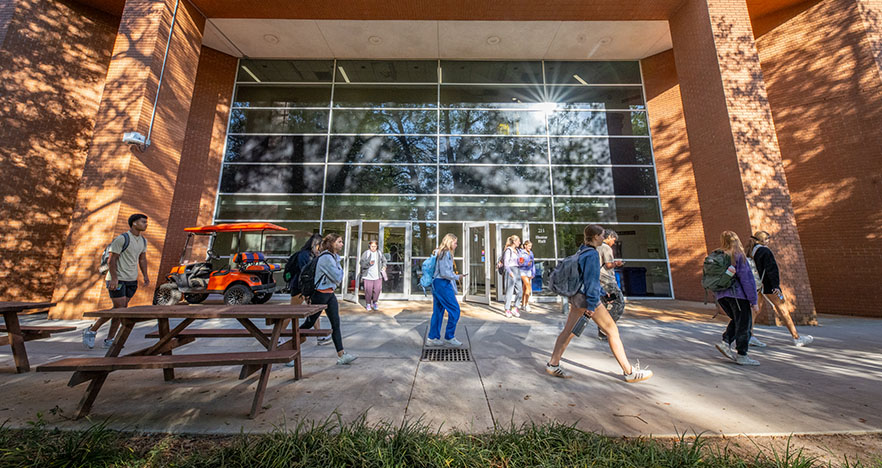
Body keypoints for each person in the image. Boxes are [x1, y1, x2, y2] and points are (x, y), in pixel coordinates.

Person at [546, 224, 653, 383]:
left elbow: (587, 279)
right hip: (589, 300)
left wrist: (603, 293)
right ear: (595, 237)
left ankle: (553, 364)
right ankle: (629, 372)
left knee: (568, 331)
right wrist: (591, 306)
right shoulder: (592, 255)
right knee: (612, 331)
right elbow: (590, 282)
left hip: (577, 298)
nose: (604, 238)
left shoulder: (581, 251)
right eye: (602, 235)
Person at [83, 214, 149, 349]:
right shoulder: (122, 239)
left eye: (146, 222)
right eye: (143, 222)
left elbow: (142, 259)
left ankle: (109, 339)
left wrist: (145, 275)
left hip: (131, 280)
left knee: (120, 310)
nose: (146, 224)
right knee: (120, 309)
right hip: (118, 279)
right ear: (134, 223)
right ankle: (92, 331)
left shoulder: (143, 241)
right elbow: (111, 260)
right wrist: (114, 278)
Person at [298, 233, 357, 365]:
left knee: (335, 324)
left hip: (329, 294)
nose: (342, 244)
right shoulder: (326, 258)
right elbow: (338, 277)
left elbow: (337, 277)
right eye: (340, 242)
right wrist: (340, 268)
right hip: (320, 294)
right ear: (332, 243)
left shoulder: (333, 257)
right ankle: (290, 349)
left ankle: (341, 355)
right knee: (308, 324)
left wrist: (338, 265)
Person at [747, 231, 814, 347]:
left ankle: (749, 336)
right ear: (764, 240)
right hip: (769, 286)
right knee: (783, 308)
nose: (769, 241)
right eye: (768, 239)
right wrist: (776, 286)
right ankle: (796, 337)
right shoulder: (765, 251)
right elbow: (772, 270)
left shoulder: (751, 251)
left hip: (757, 285)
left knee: (754, 311)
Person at [712, 231, 761, 366]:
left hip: (722, 296)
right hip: (738, 296)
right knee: (745, 324)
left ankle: (725, 342)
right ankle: (742, 355)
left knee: (737, 320)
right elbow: (747, 280)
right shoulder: (737, 255)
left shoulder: (717, 256)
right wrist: (753, 301)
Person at [286, 233, 331, 346]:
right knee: (292, 312)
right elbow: (304, 274)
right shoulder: (304, 255)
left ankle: (319, 336)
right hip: (299, 288)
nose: (321, 249)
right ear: (315, 245)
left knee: (313, 311)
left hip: (307, 288)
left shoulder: (312, 255)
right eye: (321, 246)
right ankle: (279, 336)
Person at [427, 234, 467, 347]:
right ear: (449, 242)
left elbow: (442, 271)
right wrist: (457, 277)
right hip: (442, 284)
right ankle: (449, 336)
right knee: (455, 310)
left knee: (438, 311)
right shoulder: (446, 253)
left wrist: (454, 276)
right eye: (455, 243)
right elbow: (445, 273)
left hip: (437, 284)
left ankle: (432, 337)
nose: (456, 245)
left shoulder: (440, 252)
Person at [597, 229, 625, 341]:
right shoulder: (606, 248)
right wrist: (617, 263)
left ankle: (602, 331)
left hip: (598, 280)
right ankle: (606, 328)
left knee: (603, 305)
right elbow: (608, 265)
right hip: (607, 281)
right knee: (619, 303)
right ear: (609, 237)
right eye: (614, 240)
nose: (614, 242)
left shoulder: (596, 247)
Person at [360, 240, 387, 311]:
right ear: (369, 246)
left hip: (378, 276)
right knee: (368, 291)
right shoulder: (366, 253)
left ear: (377, 246)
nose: (373, 248)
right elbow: (362, 264)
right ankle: (368, 303)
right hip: (368, 276)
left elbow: (384, 260)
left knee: (377, 290)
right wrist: (369, 263)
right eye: (372, 246)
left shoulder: (379, 253)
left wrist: (384, 266)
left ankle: (375, 302)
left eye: (375, 246)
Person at [502, 235, 523, 318]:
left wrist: (521, 262)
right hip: (510, 270)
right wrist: (510, 272)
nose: (520, 243)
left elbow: (518, 262)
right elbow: (506, 263)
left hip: (517, 270)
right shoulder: (508, 250)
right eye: (518, 241)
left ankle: (515, 307)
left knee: (520, 291)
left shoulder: (517, 250)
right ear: (514, 241)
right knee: (509, 291)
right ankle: (507, 309)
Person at [519, 240, 535, 313]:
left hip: (529, 271)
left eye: (530, 246)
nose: (530, 248)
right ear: (525, 246)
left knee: (525, 288)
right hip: (522, 271)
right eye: (528, 246)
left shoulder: (531, 253)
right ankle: (527, 304)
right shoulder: (521, 253)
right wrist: (526, 264)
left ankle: (523, 304)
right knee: (528, 287)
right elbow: (520, 263)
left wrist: (533, 273)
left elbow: (533, 264)